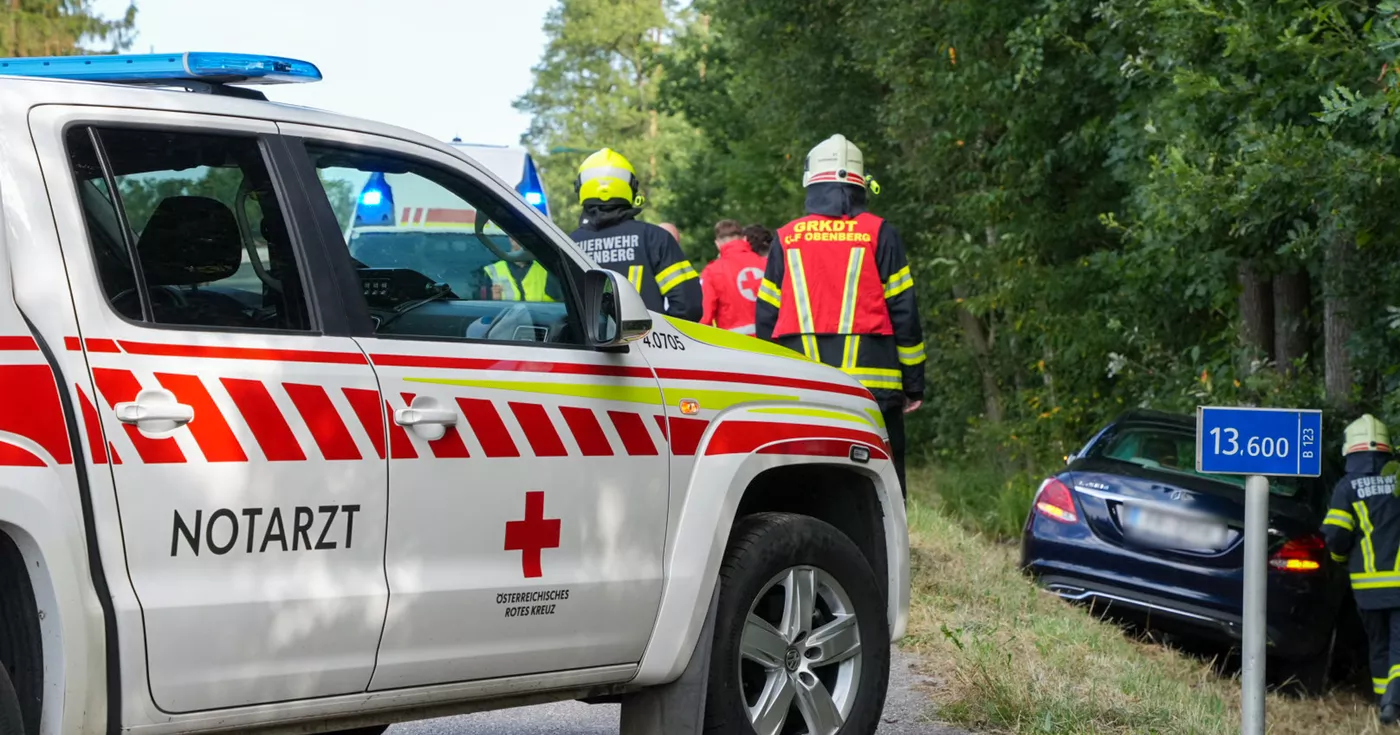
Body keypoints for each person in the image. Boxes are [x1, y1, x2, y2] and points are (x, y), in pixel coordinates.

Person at [755, 134, 926, 495]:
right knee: (883, 479)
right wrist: (913, 383)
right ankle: (888, 550)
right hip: (874, 387)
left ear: (810, 181)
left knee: (806, 475)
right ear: (862, 183)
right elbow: (904, 311)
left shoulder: (787, 238)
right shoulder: (881, 233)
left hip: (802, 384)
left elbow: (766, 318)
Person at [1323, 414, 1400, 723]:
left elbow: (1336, 536)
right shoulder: (1398, 478)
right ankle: (1393, 703)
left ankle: (1386, 704)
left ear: (1349, 450)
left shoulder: (1346, 487)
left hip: (1367, 587)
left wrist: (1341, 561)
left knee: (1379, 644)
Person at [568, 149, 701, 320]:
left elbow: (553, 303)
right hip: (650, 345)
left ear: (580, 189)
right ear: (631, 188)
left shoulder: (568, 244)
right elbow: (688, 305)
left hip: (584, 346)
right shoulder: (656, 239)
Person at [700, 219, 767, 334]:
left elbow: (706, 318)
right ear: (745, 239)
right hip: (771, 342)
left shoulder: (711, 272)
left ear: (717, 244)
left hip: (734, 345)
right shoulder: (767, 264)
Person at [483, 238, 558, 302]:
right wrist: (496, 301)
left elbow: (556, 305)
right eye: (520, 237)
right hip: (507, 318)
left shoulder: (546, 270)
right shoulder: (492, 271)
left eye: (528, 238)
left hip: (539, 318)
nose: (525, 241)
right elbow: (484, 310)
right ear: (511, 239)